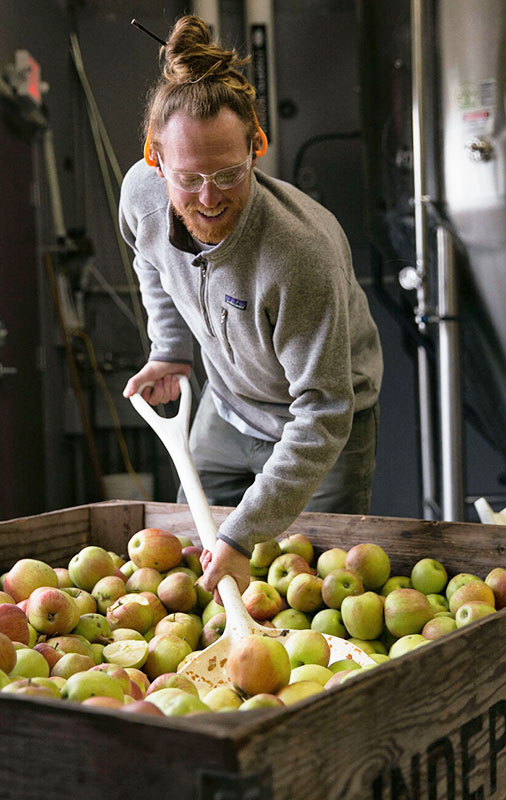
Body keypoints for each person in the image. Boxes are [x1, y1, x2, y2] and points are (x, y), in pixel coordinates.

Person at [120, 15, 383, 601]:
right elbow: (150, 260)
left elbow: (323, 411)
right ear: (155, 159)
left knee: (321, 593)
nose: (209, 198)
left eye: (229, 173)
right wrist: (169, 349)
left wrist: (240, 540)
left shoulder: (300, 255)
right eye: (188, 179)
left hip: (321, 427)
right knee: (191, 566)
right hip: (228, 408)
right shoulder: (141, 194)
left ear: (256, 146)